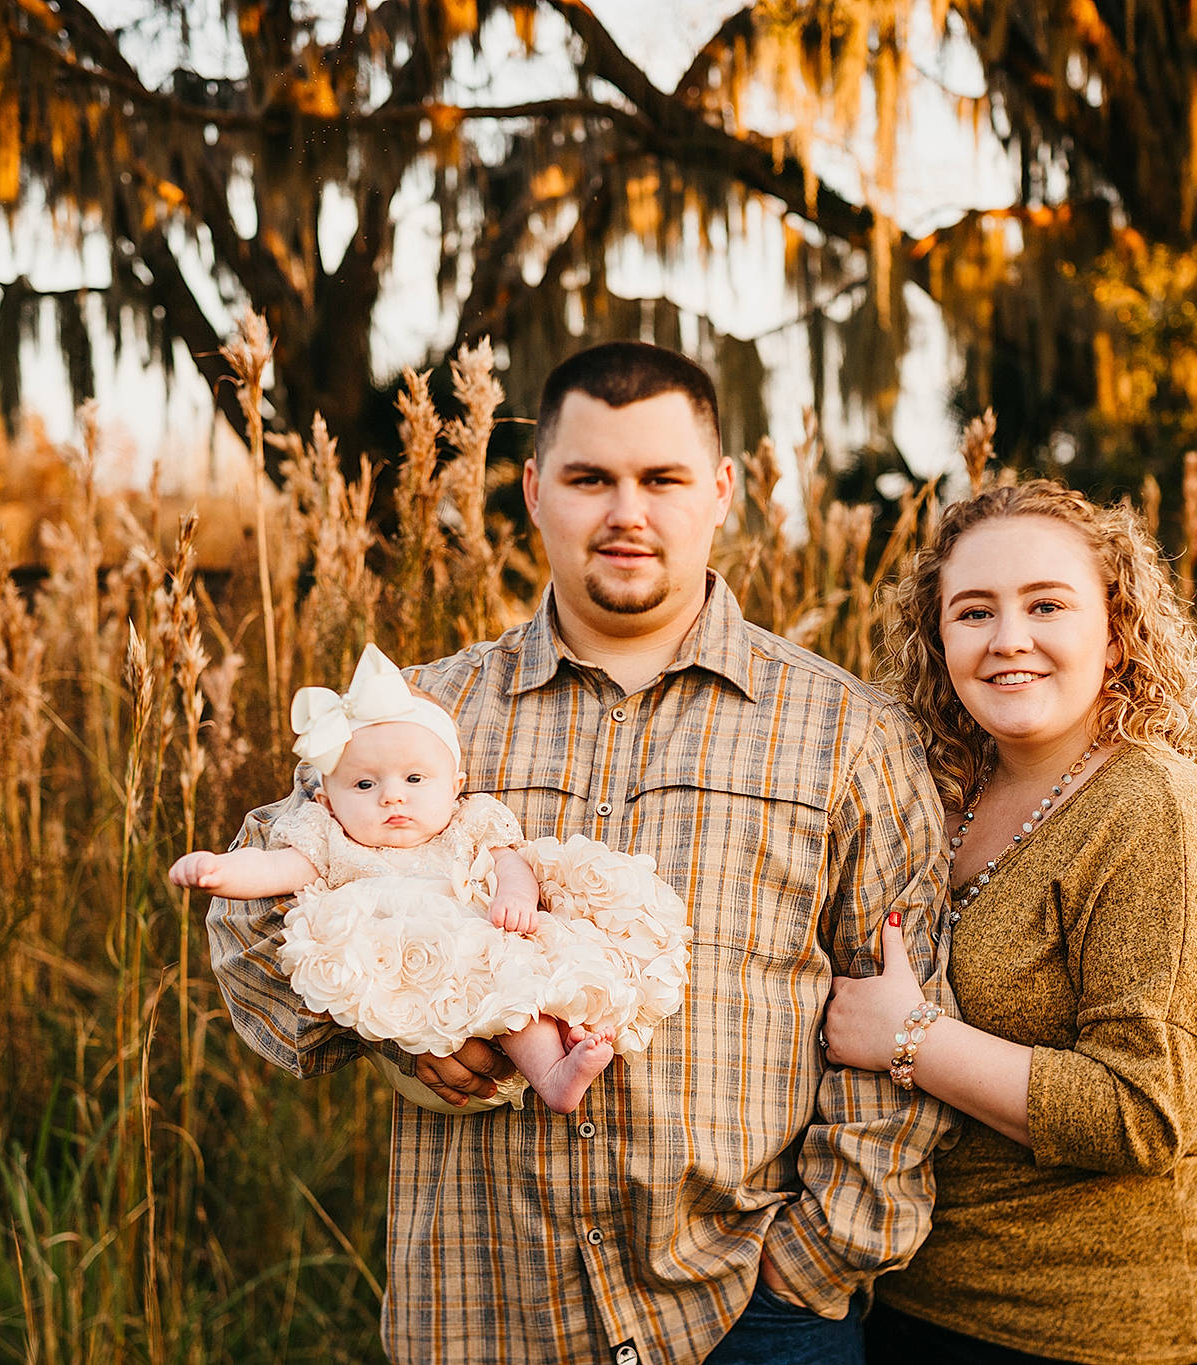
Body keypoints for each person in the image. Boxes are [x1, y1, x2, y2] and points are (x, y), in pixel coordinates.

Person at [209, 341, 958, 1365]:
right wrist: (394, 1019)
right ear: (531, 490)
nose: (626, 513)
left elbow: (908, 1004)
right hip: (482, 1310)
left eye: (660, 479)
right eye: (589, 478)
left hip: (748, 1311)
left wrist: (815, 1261)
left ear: (722, 490)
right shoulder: (425, 719)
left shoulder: (844, 733)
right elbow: (250, 912)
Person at [824, 479, 1197, 1364]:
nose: (1009, 640)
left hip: (1121, 1333)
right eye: (973, 612)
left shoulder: (1156, 814)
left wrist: (910, 1036)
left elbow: (1142, 1113)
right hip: (923, 1305)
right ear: (938, 640)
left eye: (1047, 605)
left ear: (1114, 631)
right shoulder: (937, 793)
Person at [171, 643, 690, 1115]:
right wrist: (218, 871)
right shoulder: (334, 841)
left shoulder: (465, 827)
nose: (392, 796)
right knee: (491, 988)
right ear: (328, 800)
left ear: (455, 786)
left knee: (515, 987)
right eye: (365, 783)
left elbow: (510, 863)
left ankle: (554, 1072)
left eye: (415, 779)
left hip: (476, 944)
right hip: (406, 977)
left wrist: (514, 894)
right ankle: (551, 1065)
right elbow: (274, 869)